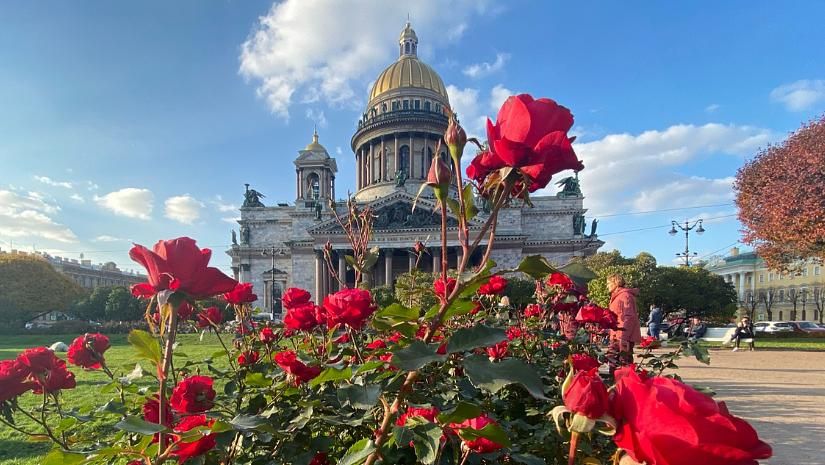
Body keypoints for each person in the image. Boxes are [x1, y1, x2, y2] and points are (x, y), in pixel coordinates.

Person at [607, 274, 642, 370]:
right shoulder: (617, 296)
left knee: (622, 363)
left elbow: (629, 317)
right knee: (614, 362)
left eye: (609, 283)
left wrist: (624, 337)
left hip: (622, 337)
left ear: (616, 283)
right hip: (617, 335)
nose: (607, 286)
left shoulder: (625, 296)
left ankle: (623, 384)